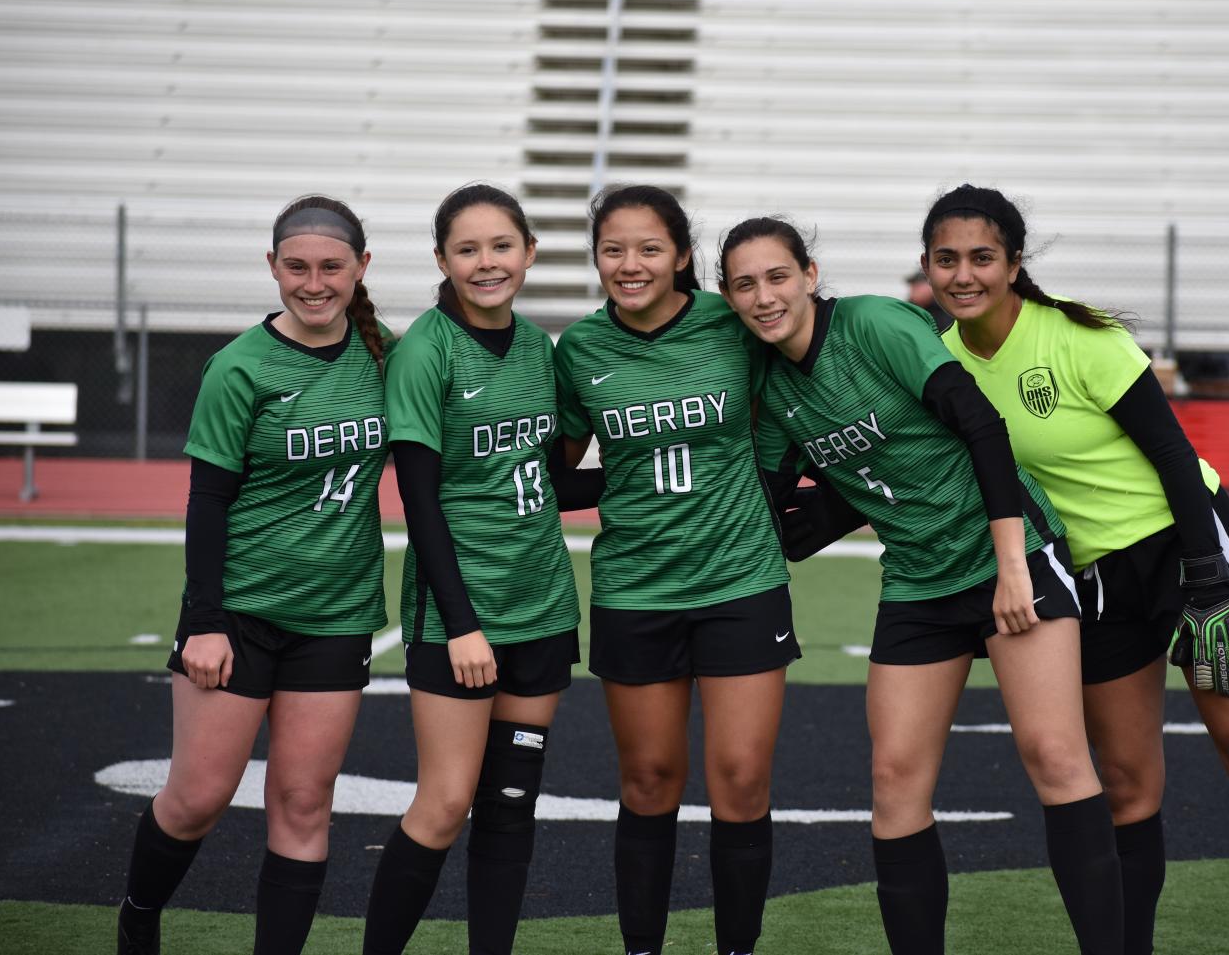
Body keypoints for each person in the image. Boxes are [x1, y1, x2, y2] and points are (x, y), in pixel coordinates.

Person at [920, 184, 1229, 955]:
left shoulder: (1076, 335)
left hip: (1185, 545)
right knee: (1124, 785)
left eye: (982, 256)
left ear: (1013, 263)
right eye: (946, 258)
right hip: (1092, 579)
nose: (963, 274)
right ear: (926, 267)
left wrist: (1209, 578)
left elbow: (1176, 456)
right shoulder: (940, 365)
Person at [719, 217, 1124, 955]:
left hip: (1012, 554)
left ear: (809, 275)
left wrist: (1011, 565)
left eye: (776, 276)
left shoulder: (874, 323)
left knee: (1055, 755)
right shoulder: (771, 387)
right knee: (894, 776)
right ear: (728, 296)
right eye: (744, 284)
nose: (763, 295)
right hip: (916, 579)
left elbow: (980, 424)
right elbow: (769, 505)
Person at [116, 196, 390, 955]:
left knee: (304, 802)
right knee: (197, 797)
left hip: (335, 615)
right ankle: (139, 916)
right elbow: (207, 501)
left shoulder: (384, 354)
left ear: (361, 268)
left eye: (331, 266)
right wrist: (204, 620)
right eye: (295, 267)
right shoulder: (238, 367)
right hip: (237, 614)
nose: (313, 282)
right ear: (271, 267)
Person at [361, 184, 603, 955]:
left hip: (542, 609)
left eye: (501, 245)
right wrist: (462, 625)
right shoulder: (424, 350)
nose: (487, 261)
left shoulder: (539, 348)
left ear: (528, 252)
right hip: (461, 617)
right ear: (442, 260)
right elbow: (419, 502)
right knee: (444, 803)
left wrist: (645, 475)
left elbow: (548, 482)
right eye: (467, 249)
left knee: (509, 804)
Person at [553, 185, 795, 955]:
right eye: (613, 249)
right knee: (650, 780)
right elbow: (559, 479)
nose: (630, 264)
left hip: (741, 584)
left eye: (649, 248)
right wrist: (631, 483)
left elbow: (790, 412)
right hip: (635, 587)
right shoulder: (580, 351)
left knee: (739, 780)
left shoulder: (733, 323)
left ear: (683, 256)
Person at [905, 267, 953, 332]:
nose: (913, 290)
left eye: (918, 286)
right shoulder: (906, 309)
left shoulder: (945, 309)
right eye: (912, 286)